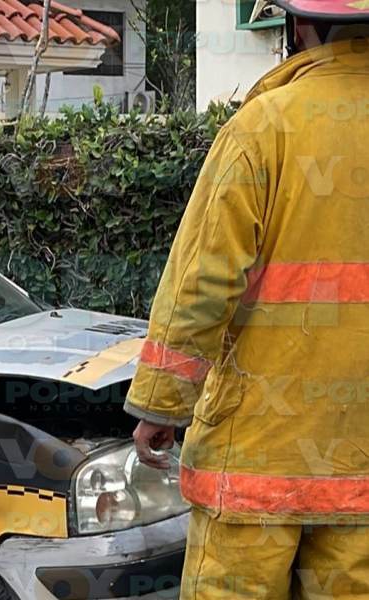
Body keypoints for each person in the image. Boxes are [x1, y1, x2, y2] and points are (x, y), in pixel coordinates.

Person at [124, 2, 369, 598]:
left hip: (256, 465)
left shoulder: (264, 127)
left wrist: (161, 405)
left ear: (301, 27)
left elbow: (204, 281)